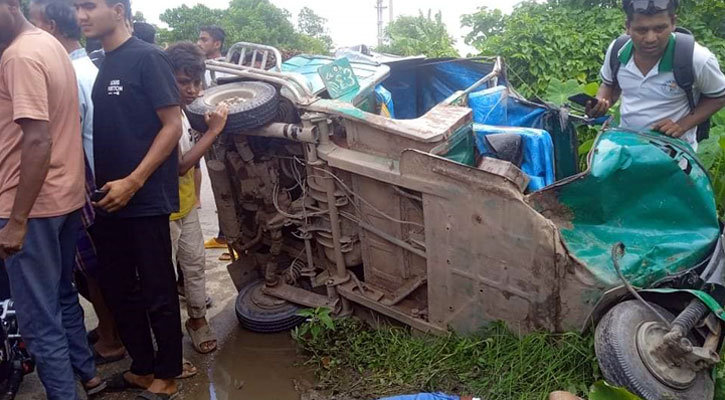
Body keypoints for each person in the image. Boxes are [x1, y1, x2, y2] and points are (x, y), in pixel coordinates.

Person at [75, 0, 184, 398]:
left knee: (157, 289)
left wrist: (134, 181)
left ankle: (168, 374)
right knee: (119, 288)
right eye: (76, 7)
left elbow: (172, 126)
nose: (81, 15)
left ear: (119, 9)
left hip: (143, 196)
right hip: (108, 198)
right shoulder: (104, 61)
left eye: (88, 6)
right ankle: (141, 366)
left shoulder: (148, 57)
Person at [0, 0, 105, 398]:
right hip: (63, 197)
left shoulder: (19, 56)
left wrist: (17, 221)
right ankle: (88, 375)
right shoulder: (48, 44)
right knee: (61, 295)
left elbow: (38, 138)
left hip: (30, 205)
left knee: (36, 318)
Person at [28, 0, 126, 366]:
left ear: (51, 26)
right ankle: (111, 330)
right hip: (99, 185)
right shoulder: (90, 70)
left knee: (90, 272)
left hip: (86, 188)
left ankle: (111, 335)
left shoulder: (69, 76)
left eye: (34, 24)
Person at [587, 0, 725, 148]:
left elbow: (720, 96)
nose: (650, 38)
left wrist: (682, 125)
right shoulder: (618, 50)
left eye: (660, 28)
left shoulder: (695, 58)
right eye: (641, 30)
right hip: (626, 149)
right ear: (627, 27)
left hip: (674, 157)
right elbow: (609, 84)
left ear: (673, 22)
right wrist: (601, 102)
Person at [166, 41, 228, 354]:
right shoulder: (166, 116)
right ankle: (165, 335)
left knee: (195, 264)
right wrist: (213, 132)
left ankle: (197, 319)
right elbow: (181, 165)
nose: (192, 90)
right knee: (162, 276)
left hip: (186, 205)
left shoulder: (184, 111)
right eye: (183, 82)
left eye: (196, 82)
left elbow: (194, 164)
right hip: (164, 211)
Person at [197, 25, 232, 258]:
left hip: (226, 138)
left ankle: (235, 241)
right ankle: (223, 236)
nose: (199, 43)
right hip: (211, 136)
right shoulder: (204, 70)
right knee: (219, 188)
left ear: (216, 43)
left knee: (229, 188)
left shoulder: (226, 69)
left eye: (204, 39)